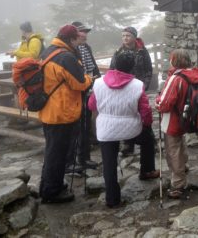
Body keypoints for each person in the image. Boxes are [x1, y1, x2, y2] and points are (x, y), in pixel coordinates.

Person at [88, 52, 159, 208]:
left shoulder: (98, 83)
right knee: (147, 140)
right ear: (132, 67)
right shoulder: (137, 85)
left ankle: (112, 199)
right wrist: (146, 125)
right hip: (131, 129)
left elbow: (91, 105)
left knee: (109, 163)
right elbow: (145, 111)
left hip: (106, 130)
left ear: (114, 64)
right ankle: (147, 171)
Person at [38, 24, 93, 204]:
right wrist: (89, 78)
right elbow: (80, 83)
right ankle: (52, 192)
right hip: (62, 112)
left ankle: (48, 185)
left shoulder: (48, 51)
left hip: (50, 110)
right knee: (58, 153)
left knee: (52, 151)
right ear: (70, 39)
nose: (79, 42)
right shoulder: (66, 57)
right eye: (77, 39)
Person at [155, 49, 198, 199]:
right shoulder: (196, 75)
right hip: (189, 118)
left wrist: (157, 103)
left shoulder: (176, 78)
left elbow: (165, 104)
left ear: (174, 61)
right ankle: (184, 166)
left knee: (173, 149)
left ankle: (178, 184)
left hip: (174, 120)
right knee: (181, 143)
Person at [109, 26, 153, 156]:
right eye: (123, 36)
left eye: (127, 36)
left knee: (143, 113)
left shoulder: (142, 51)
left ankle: (148, 140)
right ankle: (128, 143)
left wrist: (145, 85)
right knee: (127, 115)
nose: (125, 38)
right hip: (123, 87)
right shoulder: (118, 52)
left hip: (139, 87)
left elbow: (148, 69)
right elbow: (112, 69)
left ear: (134, 37)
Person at [66, 21, 101, 173]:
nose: (85, 35)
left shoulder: (86, 47)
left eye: (86, 32)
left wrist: (98, 81)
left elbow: (93, 66)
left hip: (88, 90)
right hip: (75, 93)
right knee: (75, 128)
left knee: (85, 125)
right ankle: (70, 161)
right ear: (74, 34)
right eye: (82, 32)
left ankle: (84, 157)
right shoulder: (70, 51)